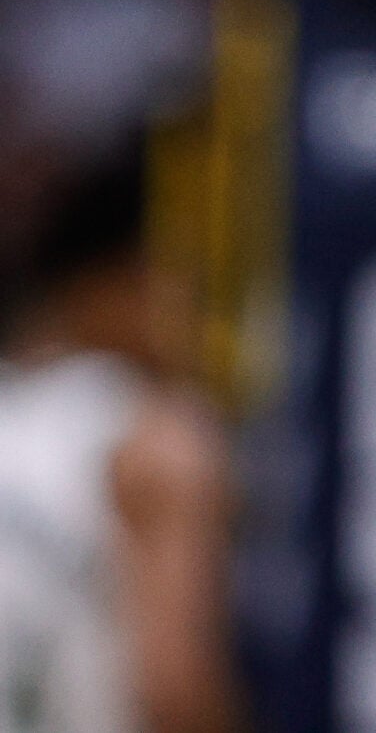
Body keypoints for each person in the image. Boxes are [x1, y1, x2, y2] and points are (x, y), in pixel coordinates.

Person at [0, 159, 242, 733]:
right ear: (119, 281)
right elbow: (176, 692)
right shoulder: (156, 441)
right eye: (182, 282)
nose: (189, 312)